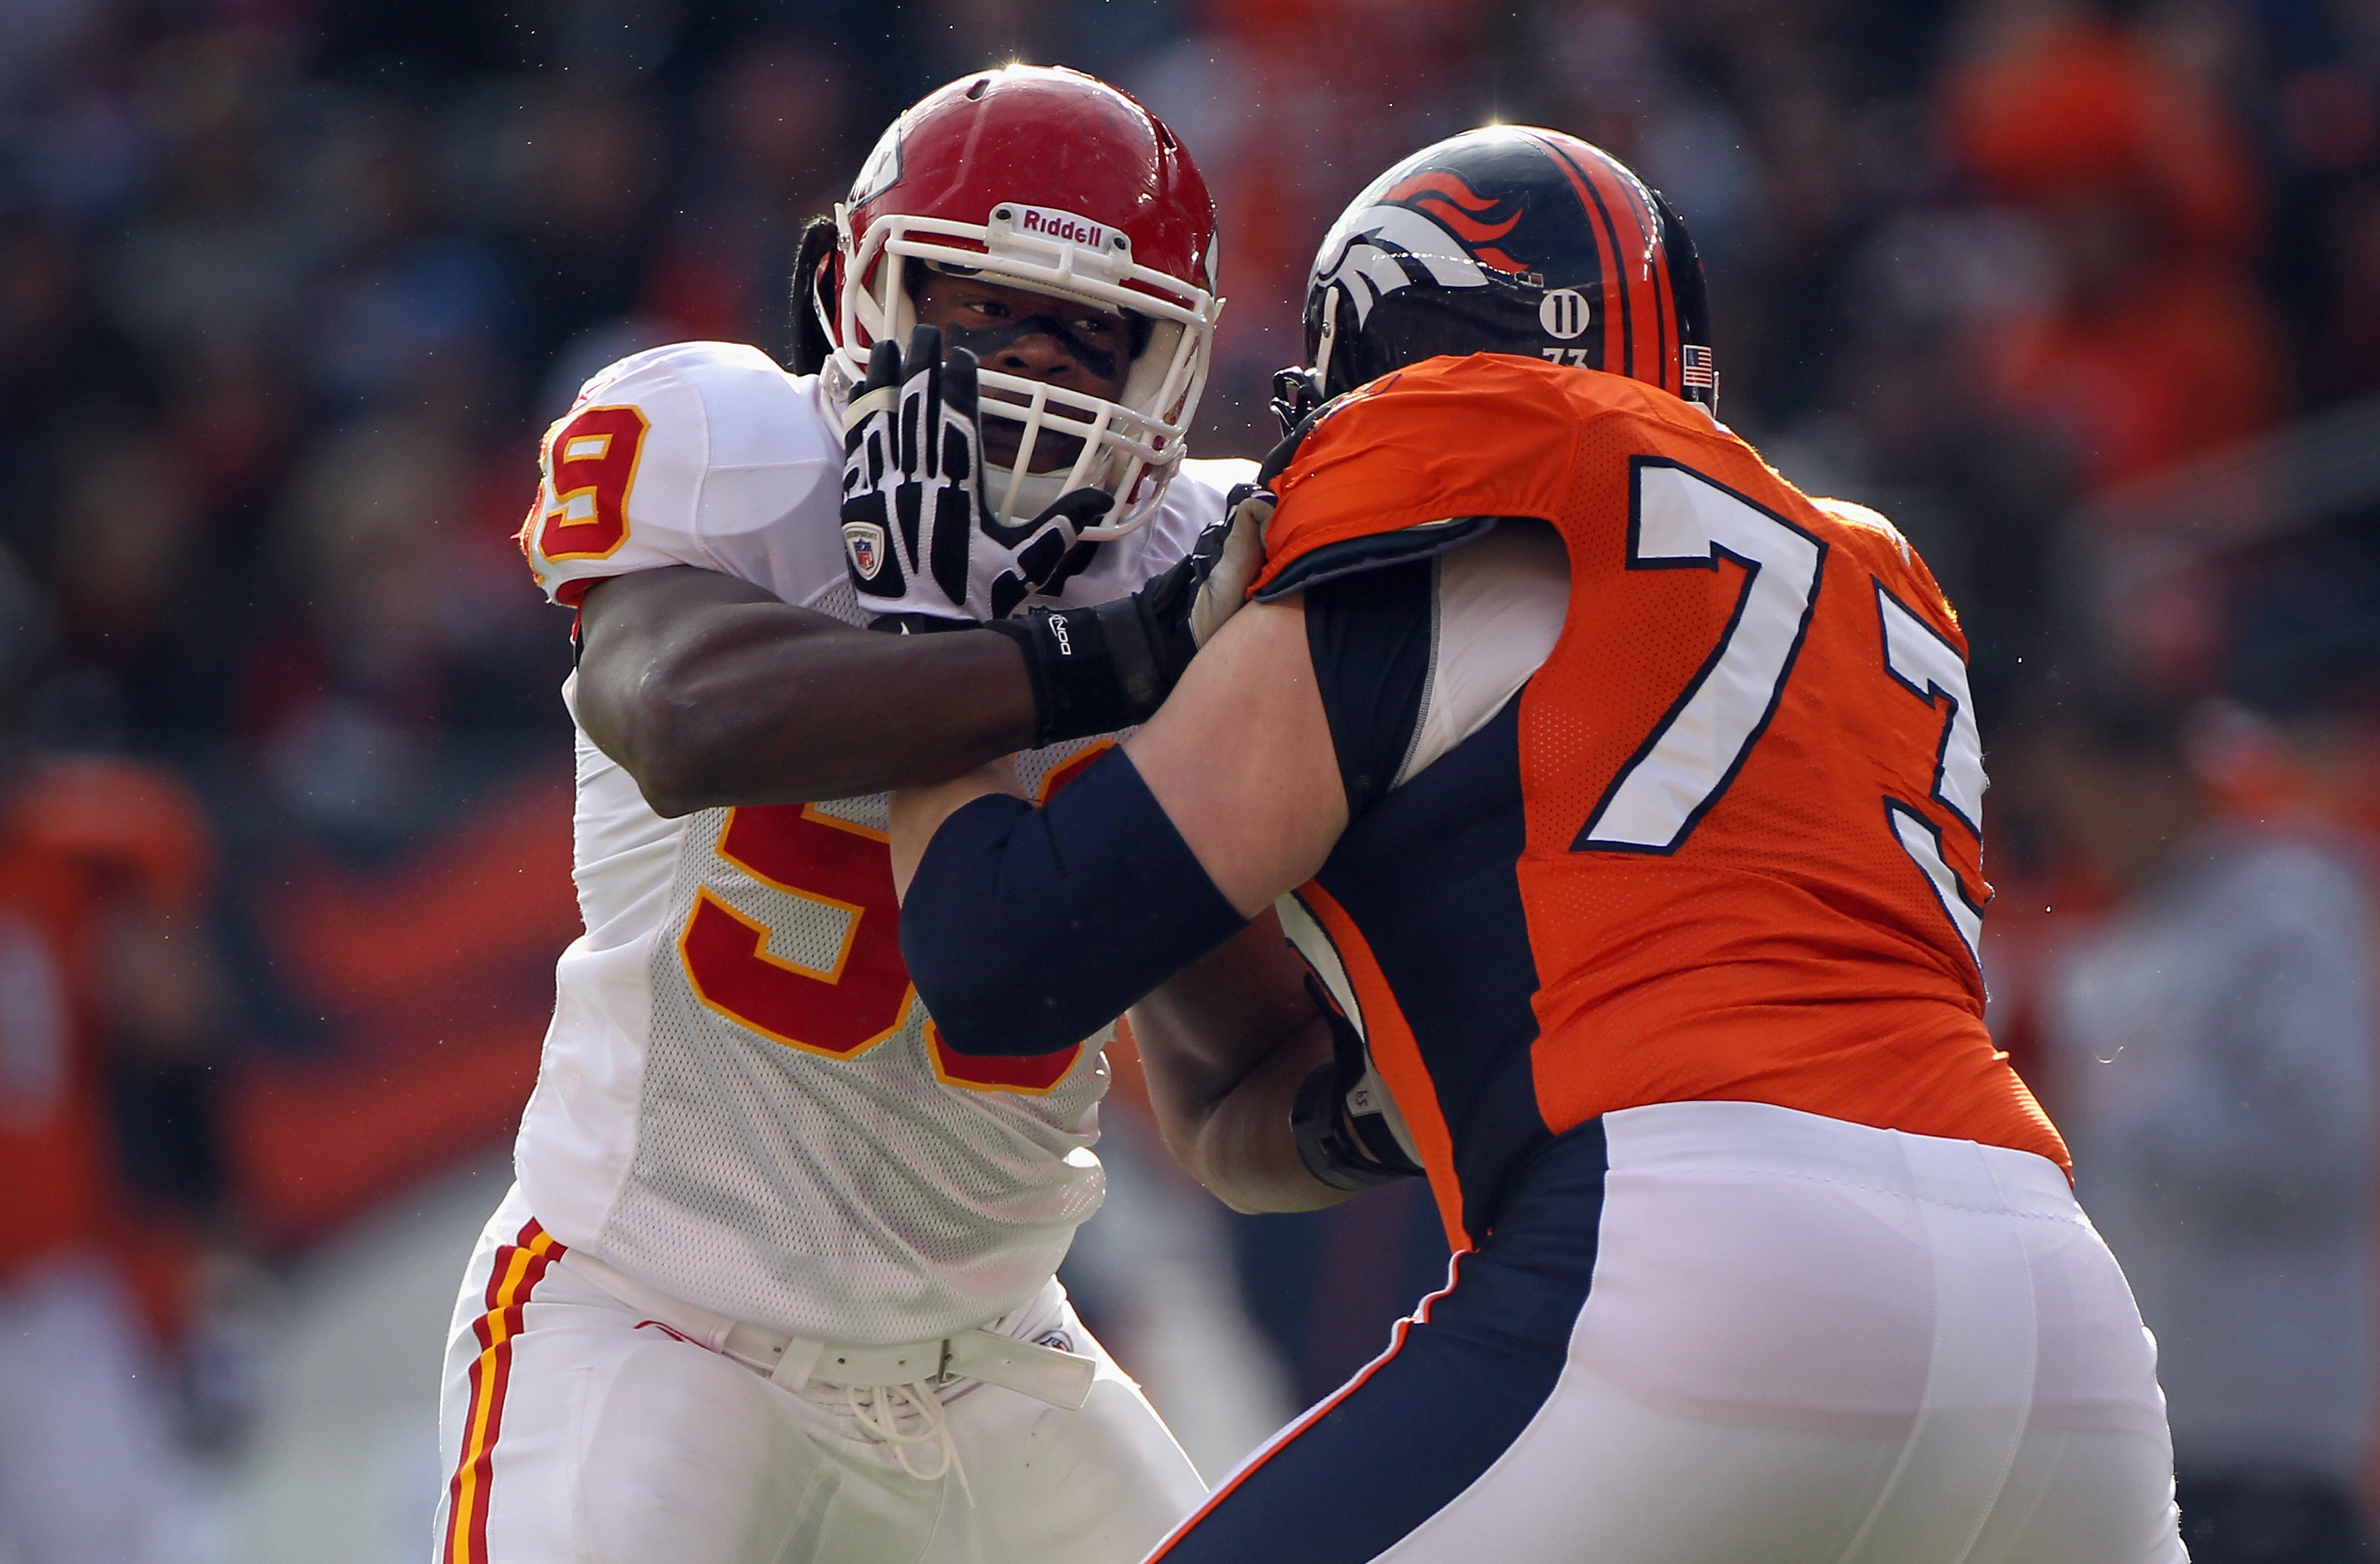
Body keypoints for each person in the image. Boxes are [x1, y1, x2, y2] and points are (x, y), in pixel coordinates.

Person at [887, 126, 2188, 1561]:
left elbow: (996, 958)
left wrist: (936, 643)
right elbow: (1239, 1117)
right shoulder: (1850, 568)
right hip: (2055, 1325)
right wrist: (1381, 1097)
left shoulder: (1447, 507)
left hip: (1701, 1269)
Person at [433, 65, 1260, 1564]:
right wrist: (1091, 663)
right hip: (652, 1323)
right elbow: (674, 715)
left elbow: (1230, 1046)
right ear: (850, 288)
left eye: (1091, 331)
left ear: (1173, 369)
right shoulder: (740, 451)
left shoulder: (1189, 563)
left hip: (995, 1348)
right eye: (973, 304)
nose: (1029, 367)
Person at [2037, 704, 2376, 1563]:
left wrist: (2124, 1104)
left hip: (2269, 1420)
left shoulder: (2283, 913)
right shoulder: (2116, 934)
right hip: (2153, 1408)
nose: (2084, 832)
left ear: (2157, 784)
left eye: (2095, 803)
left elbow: (2322, 1143)